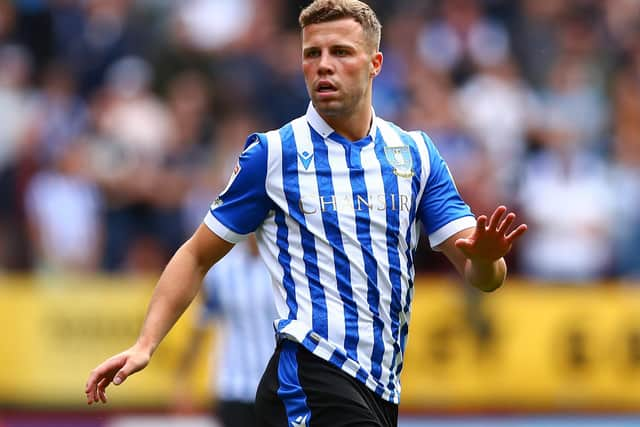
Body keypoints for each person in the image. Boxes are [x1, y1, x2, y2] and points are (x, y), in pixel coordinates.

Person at [85, 1, 527, 426]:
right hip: (309, 377)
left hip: (379, 387)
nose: (323, 64)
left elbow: (484, 277)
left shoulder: (416, 155)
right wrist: (146, 344)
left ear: (375, 64)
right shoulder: (274, 154)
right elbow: (197, 254)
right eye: (311, 53)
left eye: (340, 52)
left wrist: (487, 259)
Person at [172, 235, 276, 427]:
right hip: (233, 384)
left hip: (278, 385)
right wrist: (185, 382)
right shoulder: (221, 270)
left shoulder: (284, 266)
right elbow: (200, 327)